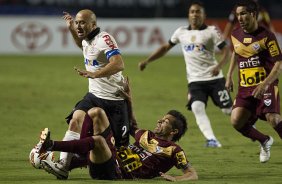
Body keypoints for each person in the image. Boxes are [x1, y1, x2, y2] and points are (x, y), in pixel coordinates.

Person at [37, 78, 198, 181]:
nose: (159, 121)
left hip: (116, 173)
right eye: (162, 118)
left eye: (165, 121)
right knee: (96, 112)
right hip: (112, 157)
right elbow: (132, 124)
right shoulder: (146, 135)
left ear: (173, 132)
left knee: (99, 141)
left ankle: (51, 146)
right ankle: (70, 158)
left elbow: (192, 173)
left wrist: (176, 179)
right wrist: (129, 99)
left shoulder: (174, 150)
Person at [46, 9, 130, 179]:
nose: (79, 25)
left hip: (113, 101)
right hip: (93, 95)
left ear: (93, 25)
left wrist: (95, 74)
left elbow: (119, 64)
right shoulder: (86, 39)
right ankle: (63, 166)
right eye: (77, 22)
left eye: (82, 22)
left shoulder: (104, 39)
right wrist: (70, 27)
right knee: (75, 121)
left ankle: (89, 164)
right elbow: (81, 44)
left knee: (109, 146)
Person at [138, 1, 232, 147]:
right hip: (195, 81)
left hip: (215, 78)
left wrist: (219, 66)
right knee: (197, 108)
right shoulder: (181, 32)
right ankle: (211, 139)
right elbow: (165, 48)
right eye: (192, 12)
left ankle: (250, 126)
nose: (195, 14)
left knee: (228, 110)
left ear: (204, 15)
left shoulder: (212, 31)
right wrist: (147, 61)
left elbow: (226, 51)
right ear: (189, 15)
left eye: (198, 12)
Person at [225, 0, 282, 163]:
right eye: (237, 14)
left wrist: (264, 84)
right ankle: (264, 140)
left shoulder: (267, 36)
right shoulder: (235, 34)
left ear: (253, 14)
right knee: (236, 121)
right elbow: (236, 53)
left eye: (243, 14)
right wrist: (229, 75)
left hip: (266, 85)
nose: (240, 18)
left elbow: (279, 63)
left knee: (274, 118)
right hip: (245, 88)